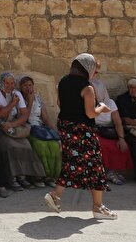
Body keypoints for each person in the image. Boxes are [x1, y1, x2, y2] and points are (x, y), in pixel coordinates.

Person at [45, 54, 118, 219]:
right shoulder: (87, 87)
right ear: (88, 68)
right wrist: (103, 108)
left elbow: (60, 105)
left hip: (65, 127)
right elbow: (91, 113)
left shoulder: (62, 82)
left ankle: (55, 195)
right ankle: (98, 208)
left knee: (71, 162)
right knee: (96, 166)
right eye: (95, 70)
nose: (95, 74)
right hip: (82, 130)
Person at [0, 72, 46, 190]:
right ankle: (12, 178)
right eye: (7, 83)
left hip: (14, 126)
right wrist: (13, 103)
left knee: (26, 145)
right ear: (1, 83)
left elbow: (25, 115)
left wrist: (12, 124)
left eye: (12, 83)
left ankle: (24, 177)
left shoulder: (17, 93)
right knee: (10, 146)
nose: (10, 86)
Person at [19, 76, 61, 187]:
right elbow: (25, 117)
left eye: (30, 85)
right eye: (25, 85)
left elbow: (46, 119)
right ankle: (39, 176)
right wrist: (30, 100)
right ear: (21, 87)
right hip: (28, 128)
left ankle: (51, 176)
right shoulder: (19, 99)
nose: (28, 87)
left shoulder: (38, 98)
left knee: (53, 145)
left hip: (40, 128)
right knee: (40, 146)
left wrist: (55, 132)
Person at [91, 78, 132, 185]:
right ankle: (106, 173)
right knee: (105, 147)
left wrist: (121, 138)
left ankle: (113, 171)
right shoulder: (87, 104)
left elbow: (118, 122)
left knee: (120, 146)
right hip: (94, 131)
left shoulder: (110, 103)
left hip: (108, 132)